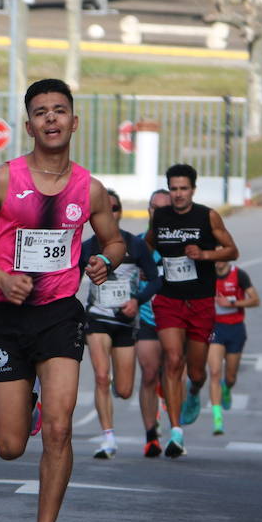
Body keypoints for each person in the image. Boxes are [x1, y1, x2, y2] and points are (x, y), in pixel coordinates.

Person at [0, 77, 125, 522]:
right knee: (9, 448)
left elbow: (113, 242)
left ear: (74, 121)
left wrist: (102, 263)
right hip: (6, 318)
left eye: (60, 110)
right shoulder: (4, 180)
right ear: (29, 126)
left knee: (62, 429)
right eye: (41, 112)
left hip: (58, 315)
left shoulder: (88, 189)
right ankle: (28, 402)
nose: (51, 119)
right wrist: (0, 276)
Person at [146, 164, 240, 458]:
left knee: (196, 371)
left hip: (200, 302)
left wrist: (205, 254)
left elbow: (232, 250)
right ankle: (176, 432)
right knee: (173, 360)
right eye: (173, 188)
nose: (178, 194)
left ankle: (195, 391)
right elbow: (147, 245)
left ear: (193, 190)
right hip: (169, 300)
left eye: (183, 189)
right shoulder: (161, 216)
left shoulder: (207, 215)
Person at [80, 189, 160, 459]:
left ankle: (114, 386)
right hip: (97, 319)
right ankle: (108, 438)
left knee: (124, 390)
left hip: (126, 321)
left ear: (120, 212)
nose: (111, 213)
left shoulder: (134, 245)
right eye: (107, 208)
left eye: (115, 208)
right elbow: (67, 280)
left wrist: (137, 300)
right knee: (101, 377)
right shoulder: (88, 247)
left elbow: (156, 278)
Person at [136, 189, 172, 457]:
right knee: (149, 374)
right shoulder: (137, 245)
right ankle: (151, 434)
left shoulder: (181, 245)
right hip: (148, 321)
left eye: (162, 208)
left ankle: (176, 430)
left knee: (174, 375)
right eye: (152, 207)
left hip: (176, 320)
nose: (156, 212)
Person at [206, 260, 260, 435]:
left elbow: (255, 300)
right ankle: (217, 419)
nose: (218, 260)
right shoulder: (207, 275)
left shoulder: (239, 275)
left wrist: (232, 304)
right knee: (214, 372)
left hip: (235, 329)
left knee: (230, 377)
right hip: (215, 328)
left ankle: (227, 388)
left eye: (221, 256)